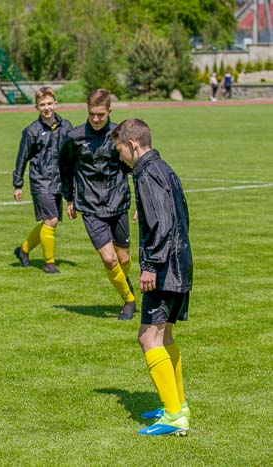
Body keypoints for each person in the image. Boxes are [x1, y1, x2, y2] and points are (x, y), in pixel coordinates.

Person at [111, 118, 192, 436]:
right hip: (180, 261)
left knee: (148, 338)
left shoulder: (145, 173)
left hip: (164, 266)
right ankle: (177, 404)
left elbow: (161, 223)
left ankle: (174, 417)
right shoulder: (163, 167)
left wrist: (151, 265)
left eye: (119, 149)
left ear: (132, 144)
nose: (119, 156)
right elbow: (179, 212)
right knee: (165, 336)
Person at [59, 89, 136, 320]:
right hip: (90, 205)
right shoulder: (74, 137)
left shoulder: (120, 136)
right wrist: (69, 198)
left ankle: (124, 283)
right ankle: (129, 300)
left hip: (118, 202)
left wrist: (141, 204)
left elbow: (133, 168)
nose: (95, 119)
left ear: (110, 111)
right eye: (92, 114)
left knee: (123, 259)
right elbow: (65, 167)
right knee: (109, 258)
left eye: (100, 115)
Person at [12, 86, 73, 273]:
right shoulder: (31, 131)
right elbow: (22, 157)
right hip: (40, 180)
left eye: (49, 103)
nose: (46, 107)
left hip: (59, 181)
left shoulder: (67, 126)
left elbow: (71, 156)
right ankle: (49, 263)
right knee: (51, 219)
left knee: (49, 222)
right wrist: (18, 184)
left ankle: (23, 250)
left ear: (56, 103)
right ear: (37, 107)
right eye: (42, 105)